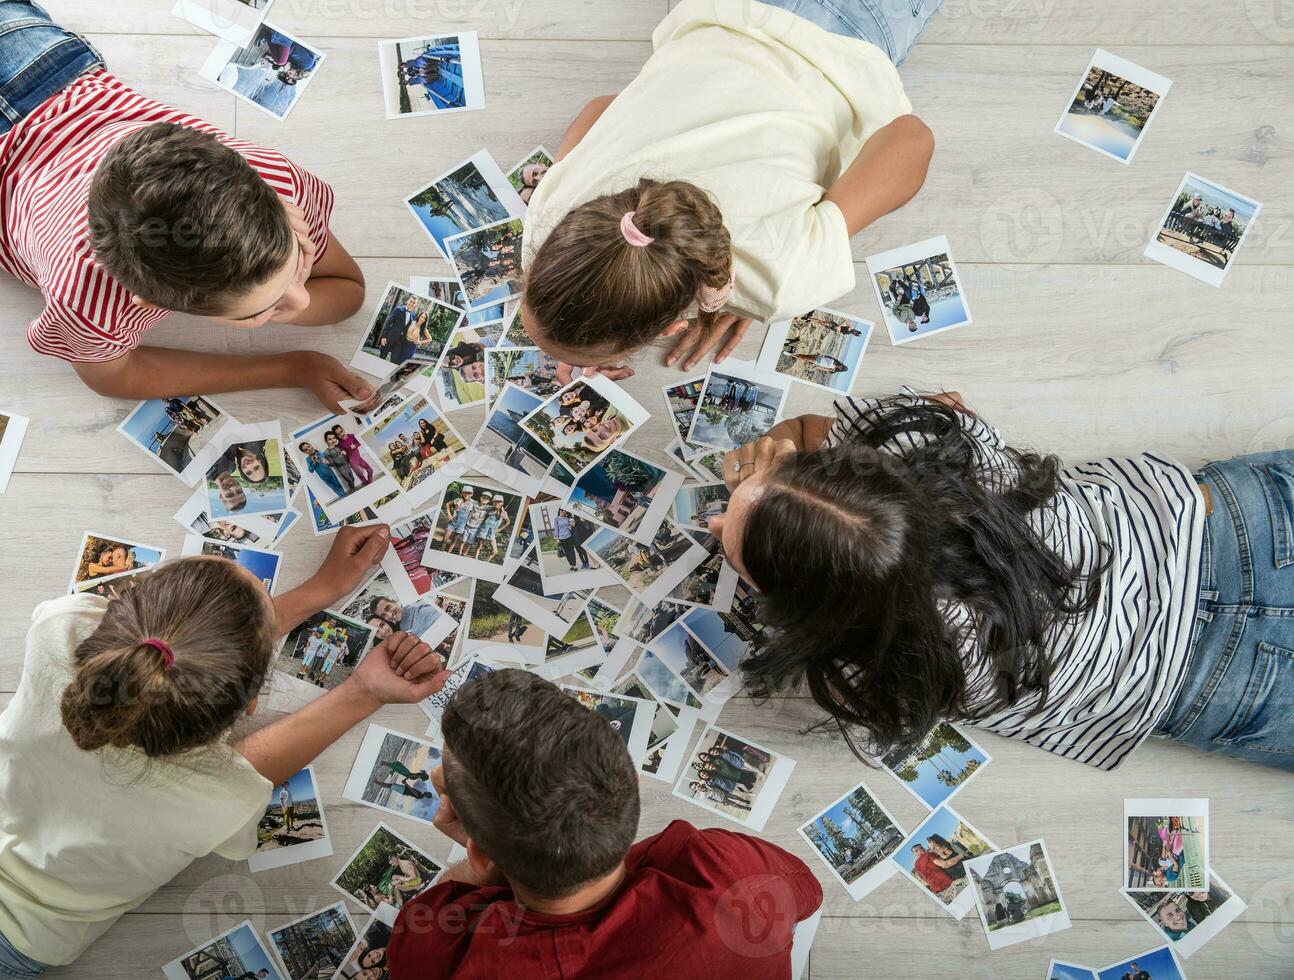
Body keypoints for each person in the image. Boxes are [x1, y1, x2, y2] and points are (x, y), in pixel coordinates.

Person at [0, 524, 449, 977]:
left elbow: (181, 650)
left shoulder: (57, 632)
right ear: (252, 704)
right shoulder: (223, 800)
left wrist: (315, 589)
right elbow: (245, 746)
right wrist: (363, 689)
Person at [707, 385, 1294, 773]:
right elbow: (826, 428)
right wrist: (785, 461)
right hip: (1236, 525)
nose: (712, 517)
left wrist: (769, 499)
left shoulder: (888, 672)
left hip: (1213, 682)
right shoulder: (920, 440)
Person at [0, 1, 372, 407]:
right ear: (156, 306)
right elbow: (122, 380)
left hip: (8, 44)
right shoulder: (89, 302)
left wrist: (280, 278)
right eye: (268, 310)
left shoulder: (280, 183)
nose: (300, 302)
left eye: (294, 262)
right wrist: (290, 363)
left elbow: (346, 296)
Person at [519, 0, 937, 381]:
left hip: (855, 29)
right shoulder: (551, 209)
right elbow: (601, 106)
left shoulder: (780, 282)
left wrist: (765, 275)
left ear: (671, 327)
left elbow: (911, 137)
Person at [387, 669, 822, 976]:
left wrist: (482, 866)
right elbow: (808, 892)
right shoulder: (725, 872)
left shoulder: (433, 949)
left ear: (478, 852)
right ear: (631, 779)